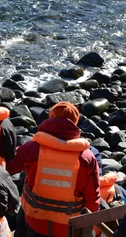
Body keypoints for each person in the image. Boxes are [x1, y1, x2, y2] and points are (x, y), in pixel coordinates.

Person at [6, 101, 100, 237]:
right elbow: (93, 199)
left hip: (34, 221)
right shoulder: (87, 157)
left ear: (51, 118)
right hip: (68, 226)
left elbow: (8, 167)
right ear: (75, 123)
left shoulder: (32, 148)